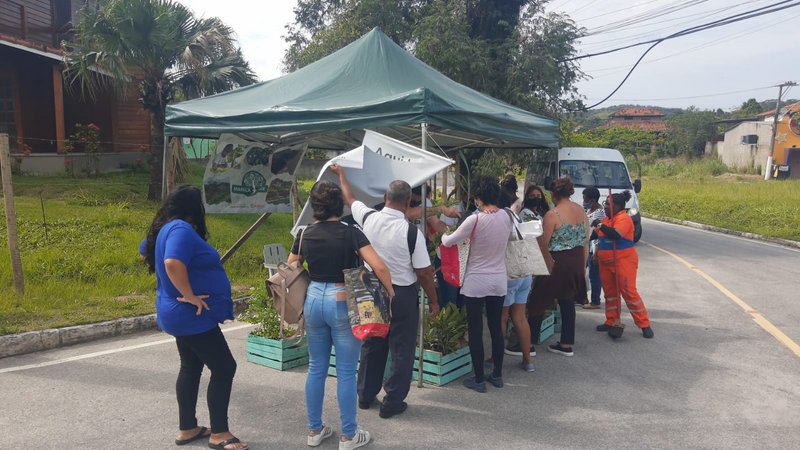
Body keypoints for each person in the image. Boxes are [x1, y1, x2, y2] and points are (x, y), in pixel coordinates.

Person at [288, 180, 394, 449]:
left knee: (316, 367)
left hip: (313, 299)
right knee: (346, 372)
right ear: (341, 204)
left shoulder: (304, 233)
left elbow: (291, 266)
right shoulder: (351, 233)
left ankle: (315, 430)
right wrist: (391, 295)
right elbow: (379, 267)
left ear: (315, 206)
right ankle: (348, 434)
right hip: (342, 300)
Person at [140, 185, 248, 450]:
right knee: (224, 367)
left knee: (191, 366)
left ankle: (187, 428)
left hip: (176, 313)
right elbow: (171, 262)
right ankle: (220, 433)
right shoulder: (180, 229)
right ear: (194, 208)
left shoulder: (163, 227)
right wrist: (189, 294)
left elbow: (145, 252)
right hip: (191, 314)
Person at [331, 164, 440, 419]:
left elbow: (350, 198)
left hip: (372, 291)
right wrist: (434, 301)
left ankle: (365, 395)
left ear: (384, 198)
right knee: (402, 349)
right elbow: (424, 272)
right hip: (402, 295)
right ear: (408, 202)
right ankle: (392, 401)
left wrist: (341, 175)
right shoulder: (412, 232)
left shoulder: (368, 217)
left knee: (373, 342)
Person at [441, 175, 513, 392]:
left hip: (476, 280)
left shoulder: (475, 219)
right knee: (496, 328)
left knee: (475, 330)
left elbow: (448, 241)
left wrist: (445, 232)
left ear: (479, 199)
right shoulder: (507, 217)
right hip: (499, 280)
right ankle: (497, 375)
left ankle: (479, 378)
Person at [527, 177, 590, 357]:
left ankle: (529, 343)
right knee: (567, 301)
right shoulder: (580, 210)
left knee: (538, 300)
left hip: (558, 262)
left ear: (554, 194)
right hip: (577, 260)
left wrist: (545, 266)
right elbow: (585, 240)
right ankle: (566, 344)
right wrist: (583, 265)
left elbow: (543, 244)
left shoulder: (553, 215)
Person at [593, 191, 654, 339]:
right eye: (605, 203)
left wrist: (599, 225)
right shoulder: (607, 220)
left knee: (629, 292)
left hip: (623, 261)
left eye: (608, 204)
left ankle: (644, 324)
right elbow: (595, 236)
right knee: (610, 294)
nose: (605, 206)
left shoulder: (624, 219)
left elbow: (615, 234)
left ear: (618, 206)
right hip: (605, 263)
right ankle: (611, 321)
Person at [495, 192, 535, 372]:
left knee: (502, 318)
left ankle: (497, 361)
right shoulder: (516, 217)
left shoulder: (499, 219)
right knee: (520, 317)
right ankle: (528, 361)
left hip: (509, 274)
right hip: (524, 272)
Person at [582, 187, 605, 310]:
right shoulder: (589, 210)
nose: (583, 200)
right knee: (582, 272)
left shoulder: (600, 213)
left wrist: (597, 251)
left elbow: (600, 233)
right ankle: (583, 297)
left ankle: (595, 301)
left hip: (594, 247)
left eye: (584, 197)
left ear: (591, 199)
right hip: (586, 246)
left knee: (594, 275)